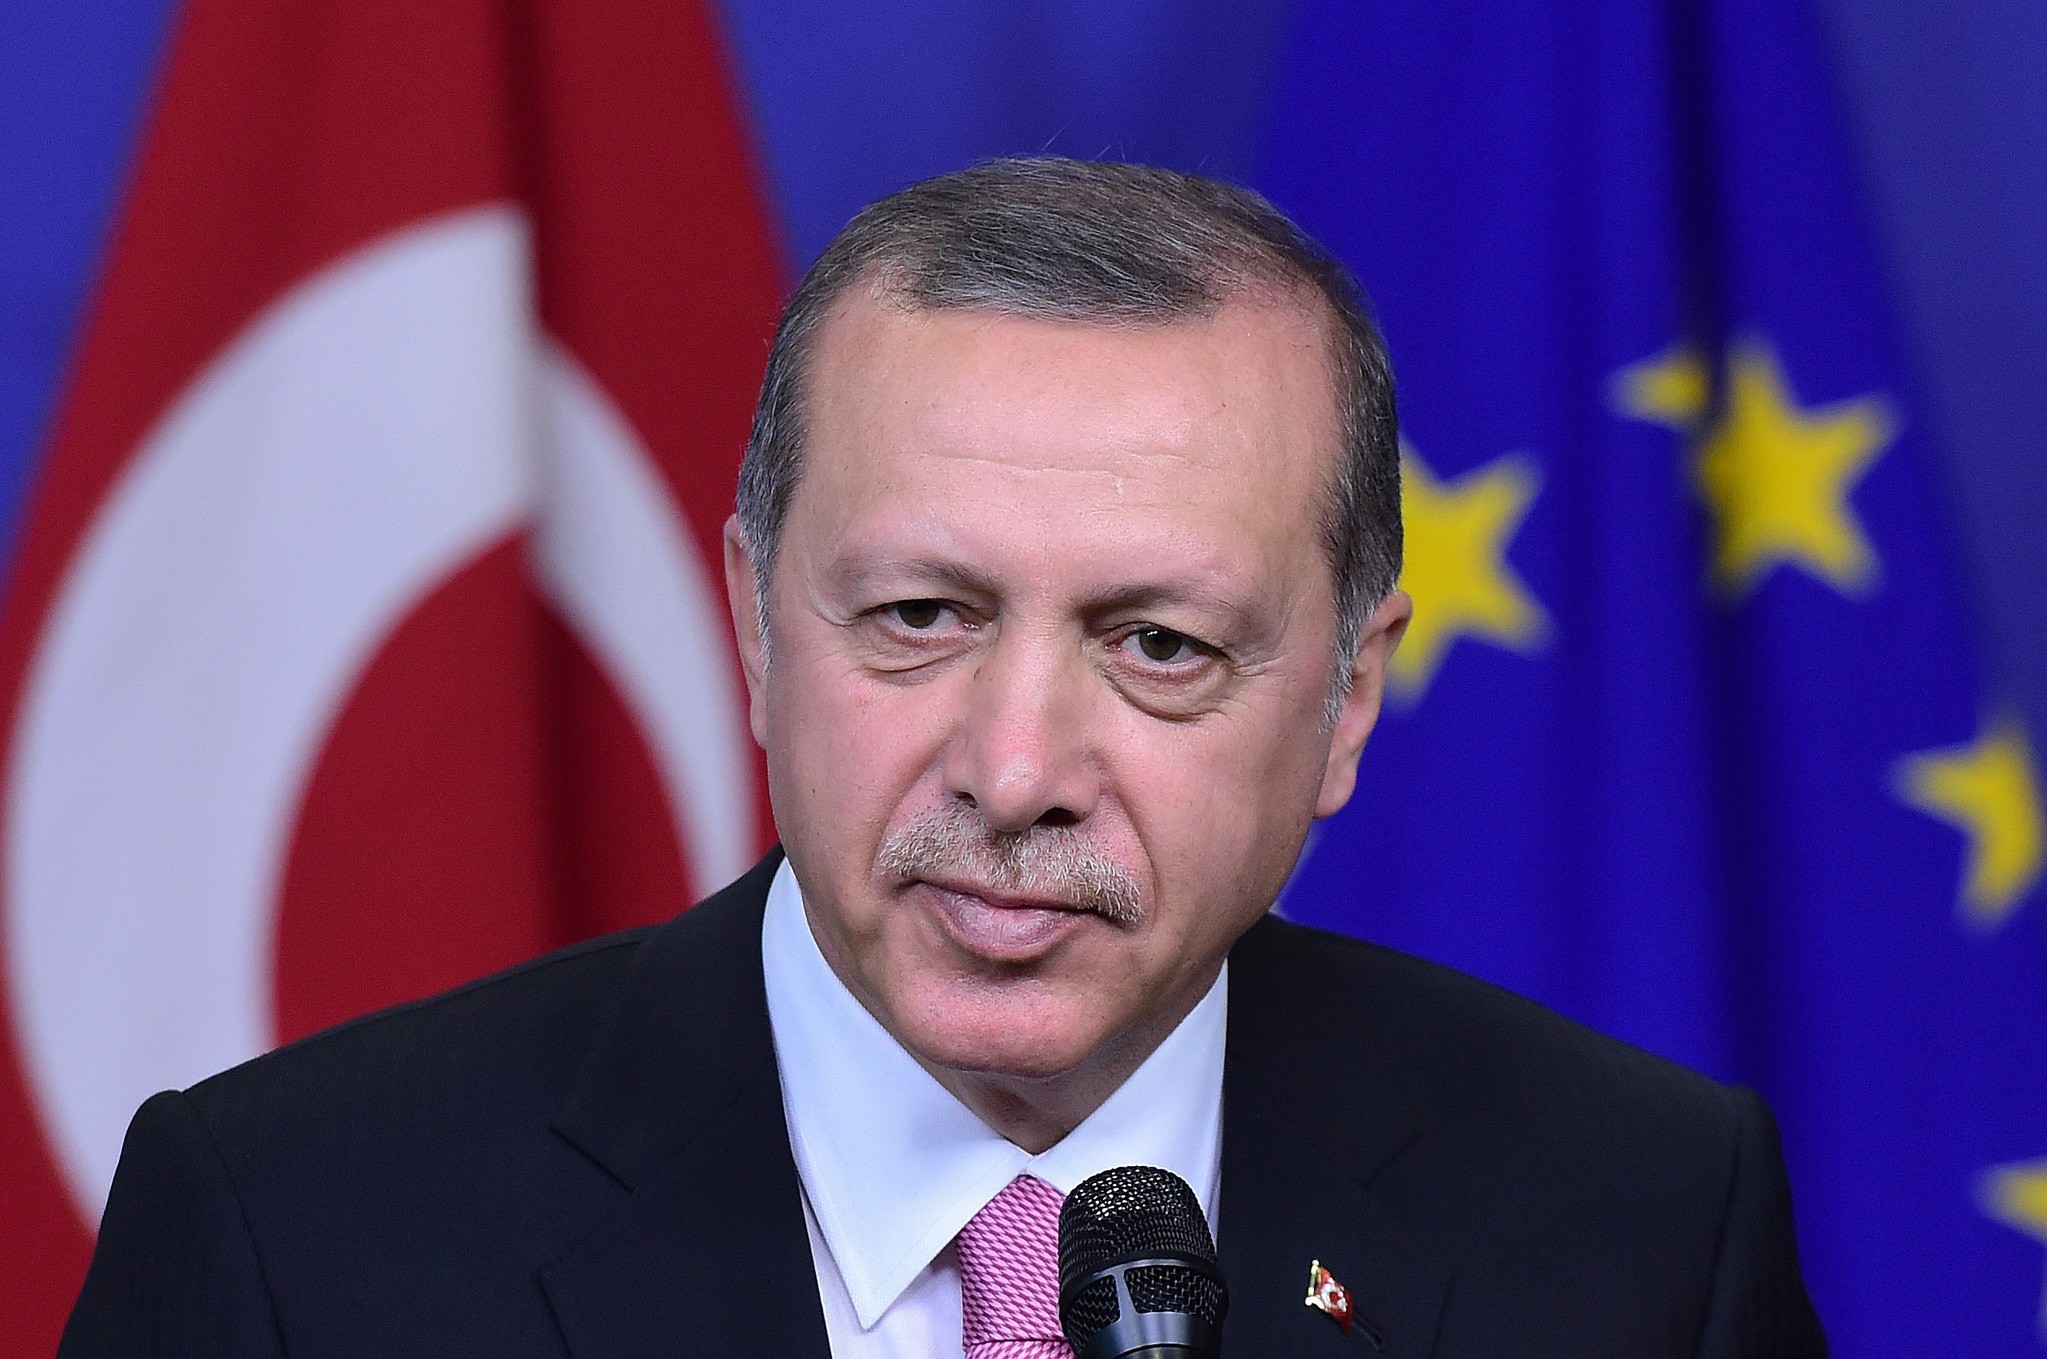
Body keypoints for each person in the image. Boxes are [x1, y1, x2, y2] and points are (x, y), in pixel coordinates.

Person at [61, 158, 1825, 1357]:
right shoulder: (295, 1247)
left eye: (1159, 646)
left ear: (1349, 702)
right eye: (919, 616)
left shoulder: (1641, 1232)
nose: (1014, 766)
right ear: (754, 620)